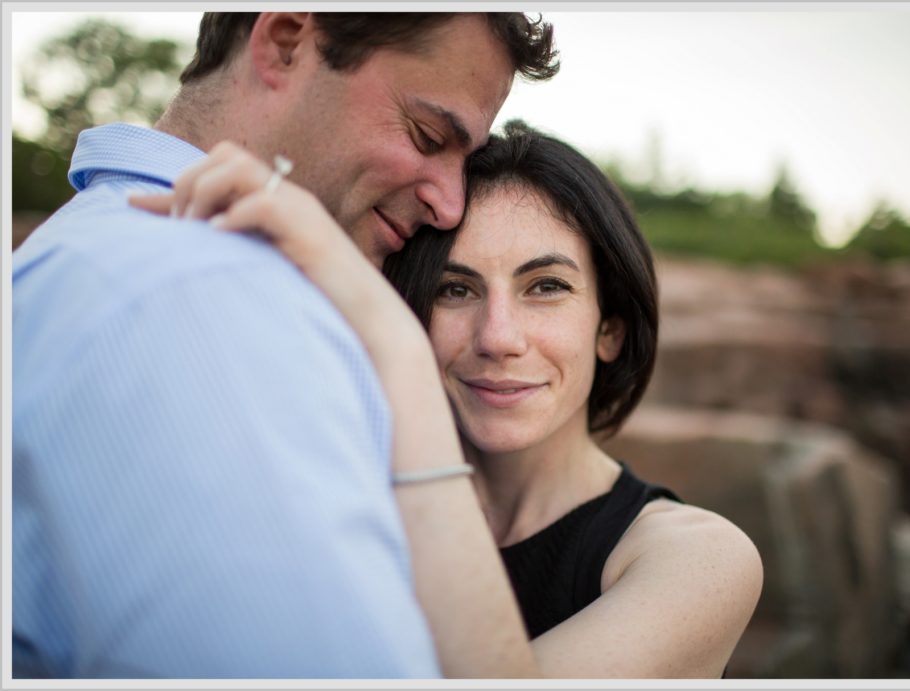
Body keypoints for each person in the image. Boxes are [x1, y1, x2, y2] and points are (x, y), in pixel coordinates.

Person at [12, 13, 558, 678]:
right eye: (427, 135)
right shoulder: (208, 298)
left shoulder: (91, 242)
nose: (449, 204)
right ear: (286, 41)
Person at [136, 120, 764, 678]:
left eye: (546, 286)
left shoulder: (697, 559)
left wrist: (394, 347)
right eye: (454, 290)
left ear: (610, 328)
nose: (498, 338)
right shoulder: (350, 513)